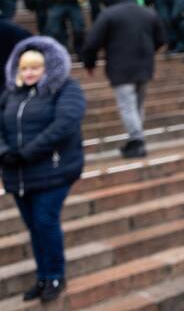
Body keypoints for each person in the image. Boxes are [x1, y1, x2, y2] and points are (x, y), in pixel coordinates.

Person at [0, 36, 86, 303]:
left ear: (48, 68)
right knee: (34, 227)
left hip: (53, 172)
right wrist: (4, 152)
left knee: (45, 222)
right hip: (19, 175)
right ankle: (43, 276)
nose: (29, 73)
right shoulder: (11, 94)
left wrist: (28, 152)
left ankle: (55, 276)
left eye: (35, 67)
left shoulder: (66, 89)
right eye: (24, 68)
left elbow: (65, 124)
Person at [82, 0, 166, 158]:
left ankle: (137, 140)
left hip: (120, 67)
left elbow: (92, 42)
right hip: (144, 66)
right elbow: (161, 39)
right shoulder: (147, 13)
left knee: (128, 105)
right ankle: (135, 138)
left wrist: (89, 63)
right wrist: (149, 53)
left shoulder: (109, 14)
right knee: (137, 105)